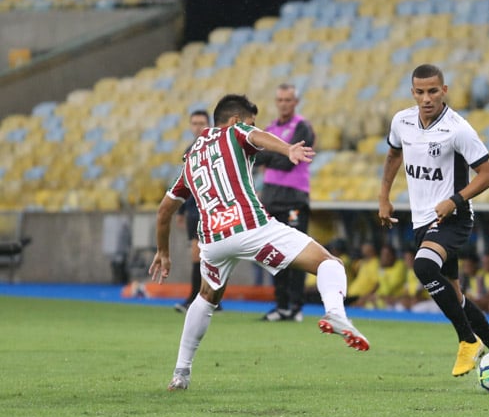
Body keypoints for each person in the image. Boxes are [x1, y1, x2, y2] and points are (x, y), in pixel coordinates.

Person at [149, 94, 369, 391]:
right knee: (329, 263)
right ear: (236, 120)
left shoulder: (190, 159)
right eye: (251, 121)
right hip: (252, 228)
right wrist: (287, 147)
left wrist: (162, 251)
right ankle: (336, 313)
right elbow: (256, 135)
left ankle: (181, 374)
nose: (254, 127)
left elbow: (164, 211)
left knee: (206, 298)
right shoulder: (234, 131)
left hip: (213, 242)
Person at [377, 63, 489, 377]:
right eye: (420, 92)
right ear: (412, 92)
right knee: (455, 295)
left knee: (423, 266)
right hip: (421, 220)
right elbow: (393, 155)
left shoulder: (458, 128)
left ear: (444, 90)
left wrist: (454, 200)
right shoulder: (401, 121)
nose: (426, 98)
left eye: (432, 91)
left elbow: (488, 175)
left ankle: (468, 340)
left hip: (454, 217)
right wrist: (384, 197)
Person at [254, 83, 316, 322]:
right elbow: (257, 155)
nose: (283, 104)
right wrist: (279, 154)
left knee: (297, 252)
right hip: (271, 198)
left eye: (288, 100)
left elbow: (290, 162)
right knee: (273, 252)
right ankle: (281, 305)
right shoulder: (269, 128)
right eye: (280, 100)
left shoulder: (302, 127)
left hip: (294, 197)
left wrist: (270, 157)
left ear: (296, 102)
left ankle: (296, 306)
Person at [173, 110, 211, 314]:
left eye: (202, 123)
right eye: (194, 123)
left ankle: (196, 298)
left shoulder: (215, 148)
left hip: (210, 210)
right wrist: (180, 210)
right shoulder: (190, 150)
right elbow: (185, 182)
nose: (198, 127)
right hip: (194, 210)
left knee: (203, 256)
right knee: (199, 256)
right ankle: (205, 299)